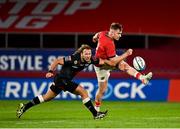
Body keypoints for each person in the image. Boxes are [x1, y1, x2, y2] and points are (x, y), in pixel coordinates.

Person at [16, 44, 108, 120]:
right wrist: (50, 71)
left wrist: (116, 63)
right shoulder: (73, 58)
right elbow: (57, 61)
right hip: (62, 79)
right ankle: (95, 114)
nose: (88, 55)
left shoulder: (90, 60)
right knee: (83, 92)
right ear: (81, 54)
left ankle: (24, 106)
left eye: (89, 53)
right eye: (86, 54)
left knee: (47, 97)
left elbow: (102, 62)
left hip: (61, 80)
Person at [93, 22, 153, 112]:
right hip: (101, 66)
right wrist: (126, 54)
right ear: (112, 32)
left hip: (107, 59)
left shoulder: (103, 33)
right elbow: (113, 62)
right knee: (102, 90)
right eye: (119, 33)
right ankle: (96, 110)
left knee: (124, 65)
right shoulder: (109, 43)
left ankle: (142, 78)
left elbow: (96, 36)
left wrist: (94, 39)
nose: (120, 35)